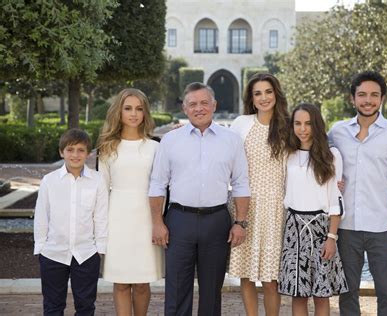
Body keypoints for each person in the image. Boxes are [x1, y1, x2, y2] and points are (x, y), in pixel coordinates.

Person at [149, 82, 250, 316]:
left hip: (217, 221)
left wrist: (240, 222)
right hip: (178, 220)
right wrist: (157, 222)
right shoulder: (170, 140)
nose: (199, 108)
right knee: (176, 289)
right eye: (193, 104)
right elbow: (157, 184)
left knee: (212, 292)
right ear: (185, 108)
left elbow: (241, 183)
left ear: (214, 105)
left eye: (204, 103)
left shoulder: (231, 140)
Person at [328, 71, 387, 316]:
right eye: (362, 95)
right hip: (346, 228)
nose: (368, 100)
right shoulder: (337, 132)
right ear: (352, 98)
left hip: (381, 227)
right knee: (347, 294)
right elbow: (321, 166)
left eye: (374, 95)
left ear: (382, 99)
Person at [97, 88, 164, 316]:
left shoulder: (156, 148)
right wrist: (101, 229)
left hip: (147, 220)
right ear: (119, 112)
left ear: (145, 113)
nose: (133, 114)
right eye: (128, 108)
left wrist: (159, 222)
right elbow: (101, 191)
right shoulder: (107, 148)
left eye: (139, 109)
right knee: (121, 281)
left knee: (143, 282)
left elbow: (162, 187)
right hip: (117, 220)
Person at [228, 72, 290, 316]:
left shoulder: (288, 125)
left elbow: (309, 155)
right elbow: (225, 155)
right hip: (246, 208)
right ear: (251, 99)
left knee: (271, 278)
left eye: (268, 92)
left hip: (276, 208)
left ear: (276, 94)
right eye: (257, 93)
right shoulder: (241, 124)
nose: (263, 98)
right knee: (246, 274)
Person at [278, 103, 348, 316]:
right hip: (293, 229)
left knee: (321, 294)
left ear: (316, 125)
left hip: (321, 229)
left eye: (308, 123)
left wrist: (332, 237)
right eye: (298, 123)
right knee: (297, 294)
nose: (303, 129)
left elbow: (335, 200)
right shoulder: (286, 153)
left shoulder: (331, 155)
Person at [34, 128, 108, 315]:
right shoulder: (49, 181)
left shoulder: (98, 180)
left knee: (85, 306)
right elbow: (42, 215)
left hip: (86, 254)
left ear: (88, 153)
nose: (75, 155)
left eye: (81, 150)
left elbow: (100, 216)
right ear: (61, 152)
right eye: (70, 149)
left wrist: (100, 248)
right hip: (53, 253)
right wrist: (41, 247)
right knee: (53, 306)